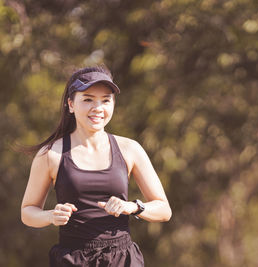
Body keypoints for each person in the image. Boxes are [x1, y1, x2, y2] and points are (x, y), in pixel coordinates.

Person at [21, 65, 172, 267]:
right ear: (71, 104)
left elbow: (164, 210)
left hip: (123, 260)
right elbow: (27, 212)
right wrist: (50, 215)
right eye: (88, 99)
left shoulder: (130, 149)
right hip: (72, 260)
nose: (98, 108)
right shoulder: (50, 154)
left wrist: (132, 207)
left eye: (106, 100)